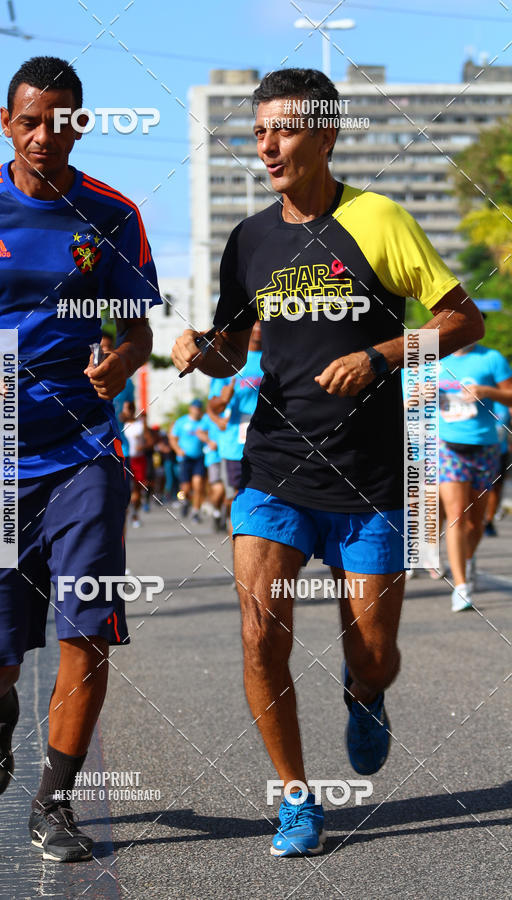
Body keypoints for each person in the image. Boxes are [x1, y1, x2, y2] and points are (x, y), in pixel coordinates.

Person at [172, 67, 483, 857]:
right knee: (259, 632)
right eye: (258, 132)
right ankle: (296, 799)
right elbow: (230, 350)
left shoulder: (379, 219)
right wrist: (197, 349)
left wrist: (382, 355)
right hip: (274, 467)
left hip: (371, 477)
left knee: (373, 654)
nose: (266, 146)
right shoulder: (248, 240)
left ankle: (364, 694)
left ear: (327, 134)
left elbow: (463, 320)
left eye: (283, 129)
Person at [0, 56, 161, 862]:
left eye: (59, 122)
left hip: (83, 447)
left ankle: (54, 801)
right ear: (6, 122)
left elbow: (138, 330)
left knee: (89, 624)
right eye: (28, 121)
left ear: (79, 125)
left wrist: (122, 362)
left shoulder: (113, 215)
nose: (43, 136)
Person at [438, 341, 512, 610]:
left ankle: (467, 559)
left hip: (485, 446)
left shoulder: (491, 358)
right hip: (445, 445)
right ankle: (461, 587)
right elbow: (407, 398)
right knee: (457, 514)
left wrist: (486, 391)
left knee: (475, 522)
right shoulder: (433, 360)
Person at [207, 321, 263, 532]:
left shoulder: (275, 358)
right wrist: (223, 400)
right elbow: (212, 405)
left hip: (269, 442)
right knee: (236, 502)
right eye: (254, 323)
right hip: (234, 447)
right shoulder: (229, 361)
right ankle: (238, 548)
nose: (258, 328)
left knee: (267, 503)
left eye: (262, 323)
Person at [169, 399, 207, 522]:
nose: (197, 411)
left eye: (199, 409)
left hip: (199, 457)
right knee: (185, 487)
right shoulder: (181, 422)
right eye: (195, 408)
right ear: (191, 408)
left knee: (198, 484)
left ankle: (195, 512)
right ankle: (185, 501)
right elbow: (173, 438)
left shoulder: (204, 422)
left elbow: (210, 435)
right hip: (185, 458)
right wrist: (178, 450)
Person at [484, 399, 510, 536]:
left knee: (496, 488)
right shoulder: (480, 398)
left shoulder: (505, 400)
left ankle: (489, 521)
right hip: (479, 452)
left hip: (501, 452)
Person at [198, 410, 226, 530]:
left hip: (230, 456)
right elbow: (199, 432)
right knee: (219, 488)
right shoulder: (208, 416)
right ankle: (215, 510)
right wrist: (209, 442)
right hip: (214, 457)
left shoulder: (230, 412)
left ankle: (220, 514)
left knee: (228, 491)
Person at [122, 401, 147, 527]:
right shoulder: (120, 424)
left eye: (130, 408)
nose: (128, 411)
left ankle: (135, 513)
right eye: (126, 408)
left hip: (138, 459)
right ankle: (126, 514)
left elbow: (150, 440)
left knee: (137, 489)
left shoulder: (140, 425)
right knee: (126, 488)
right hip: (124, 458)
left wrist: (142, 446)